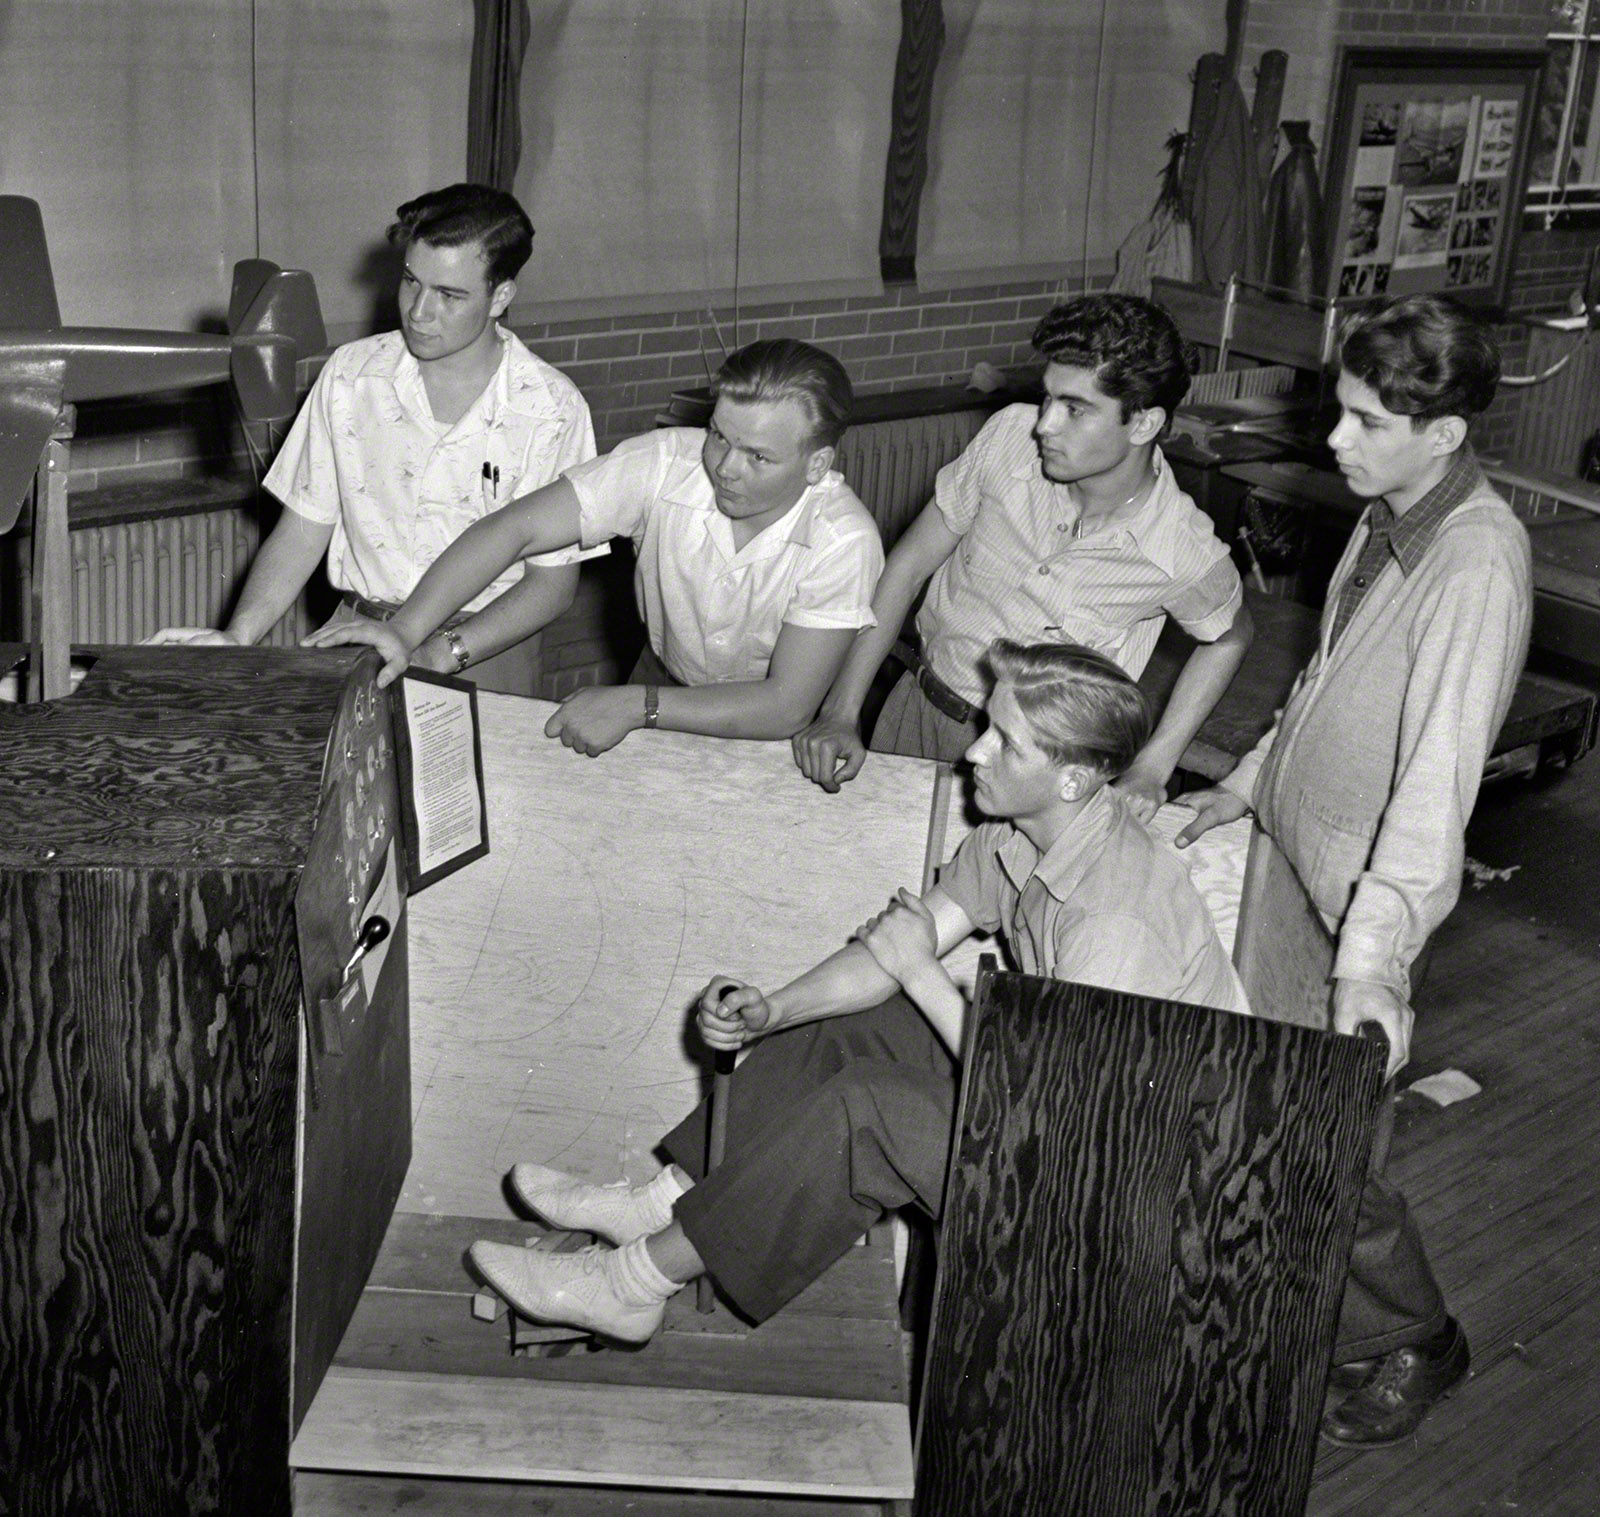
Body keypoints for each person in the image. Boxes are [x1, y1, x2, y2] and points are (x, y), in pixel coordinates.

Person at [466, 639, 1249, 1341]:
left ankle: (631, 1285)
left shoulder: (1117, 917)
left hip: (1133, 1185)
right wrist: (775, 1010)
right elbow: (886, 960)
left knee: (867, 1107)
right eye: (988, 724)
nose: (974, 751)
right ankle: (665, 1201)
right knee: (867, 1022)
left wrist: (919, 970)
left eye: (1004, 741)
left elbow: (1059, 1098)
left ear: (1073, 778)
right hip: (1074, 1103)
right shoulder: (1020, 833)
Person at [1176, 293, 1530, 1447]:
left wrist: (1373, 963)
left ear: (1445, 432)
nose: (1336, 439)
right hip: (1295, 858)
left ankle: (1412, 1335)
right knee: (1273, 1120)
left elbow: (1437, 782)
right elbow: (1326, 680)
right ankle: (1300, 1307)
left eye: (1368, 421)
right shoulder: (1391, 517)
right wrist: (1254, 779)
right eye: (1342, 409)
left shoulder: (1474, 563)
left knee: (1329, 1148)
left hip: (1357, 906)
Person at [791, 292, 1253, 821]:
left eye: (1075, 409)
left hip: (1038, 772)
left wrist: (1154, 766)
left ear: (1144, 424)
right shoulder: (1009, 435)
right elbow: (908, 565)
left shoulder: (1182, 546)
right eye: (1048, 397)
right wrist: (842, 709)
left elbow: (1231, 636)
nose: (1045, 424)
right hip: (916, 709)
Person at [308, 339, 885, 756]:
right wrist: (409, 633)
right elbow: (514, 529)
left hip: (763, 726)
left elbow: (784, 706)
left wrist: (638, 706)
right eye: (718, 436)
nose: (725, 468)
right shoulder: (663, 461)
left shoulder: (844, 540)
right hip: (659, 676)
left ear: (818, 464)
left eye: (758, 456)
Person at [149, 183, 597, 695]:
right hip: (357, 640)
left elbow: (552, 585)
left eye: (450, 295)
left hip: (483, 651)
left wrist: (436, 652)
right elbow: (302, 530)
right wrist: (239, 634)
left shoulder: (552, 409)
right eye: (411, 282)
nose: (419, 311)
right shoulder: (351, 375)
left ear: (501, 296)